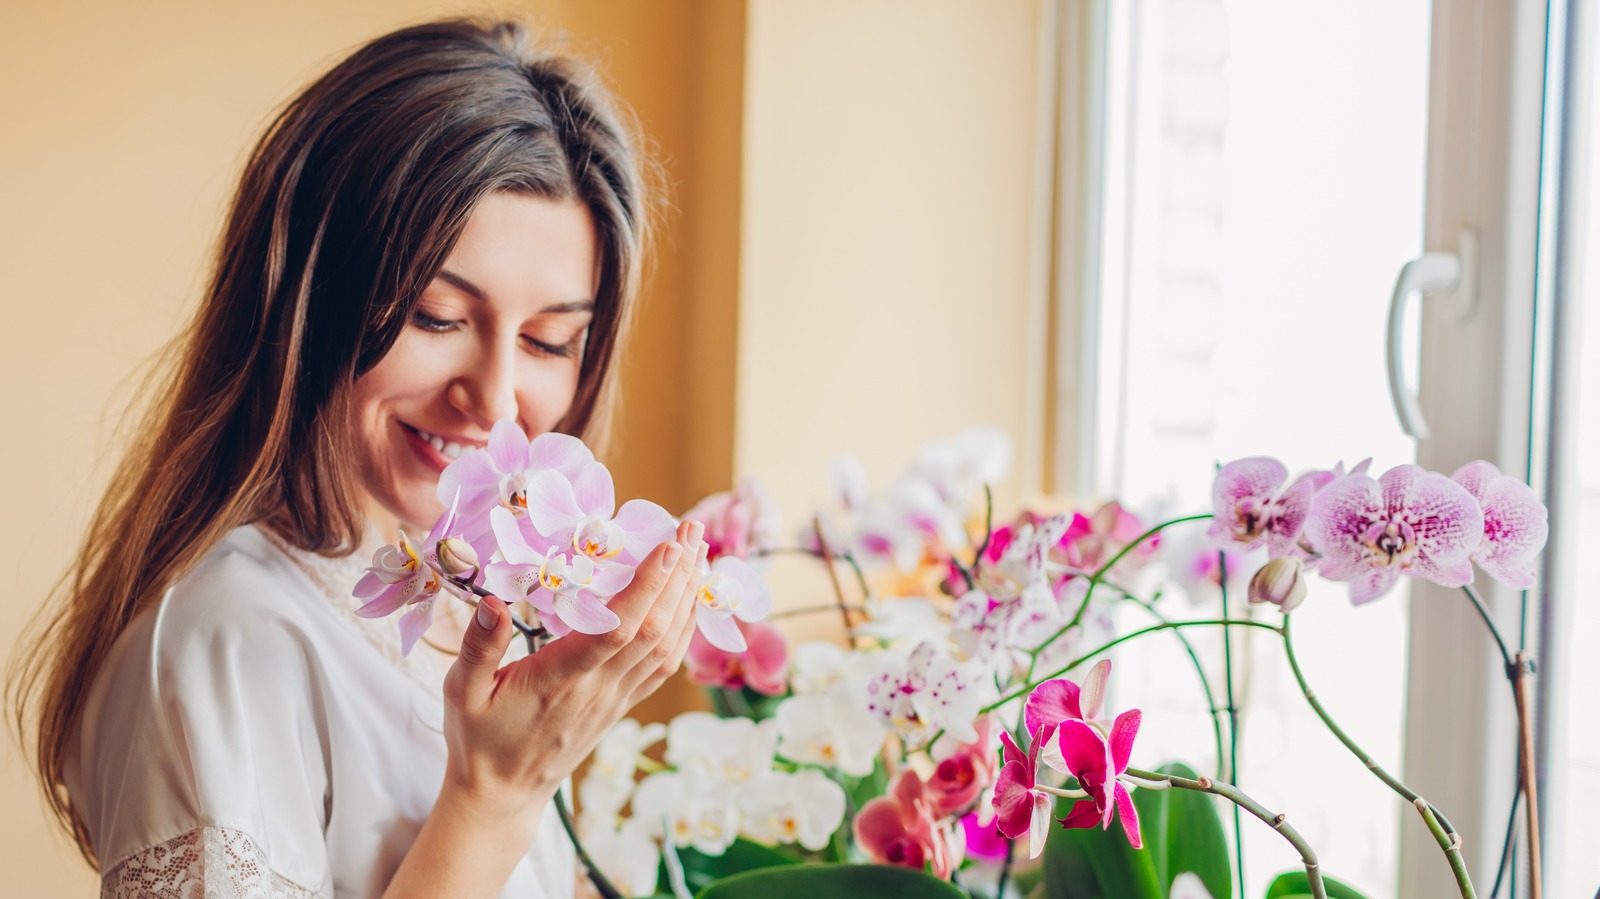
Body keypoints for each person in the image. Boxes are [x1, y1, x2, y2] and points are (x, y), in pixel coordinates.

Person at [8, 18, 704, 898]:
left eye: (549, 339)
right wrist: (490, 798)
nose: (492, 400)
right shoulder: (226, 639)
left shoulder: (468, 614)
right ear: (305, 300)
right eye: (436, 318)